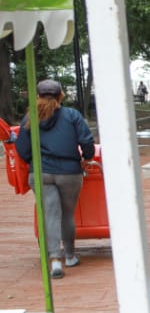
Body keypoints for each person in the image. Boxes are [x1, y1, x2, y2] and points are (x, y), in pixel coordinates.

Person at [13, 78, 95, 279]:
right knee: (67, 214)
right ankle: (70, 256)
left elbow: (22, 150)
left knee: (50, 214)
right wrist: (87, 157)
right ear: (61, 96)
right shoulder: (72, 115)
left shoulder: (29, 117)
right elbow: (87, 141)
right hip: (69, 173)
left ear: (38, 96)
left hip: (41, 172)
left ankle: (55, 261)